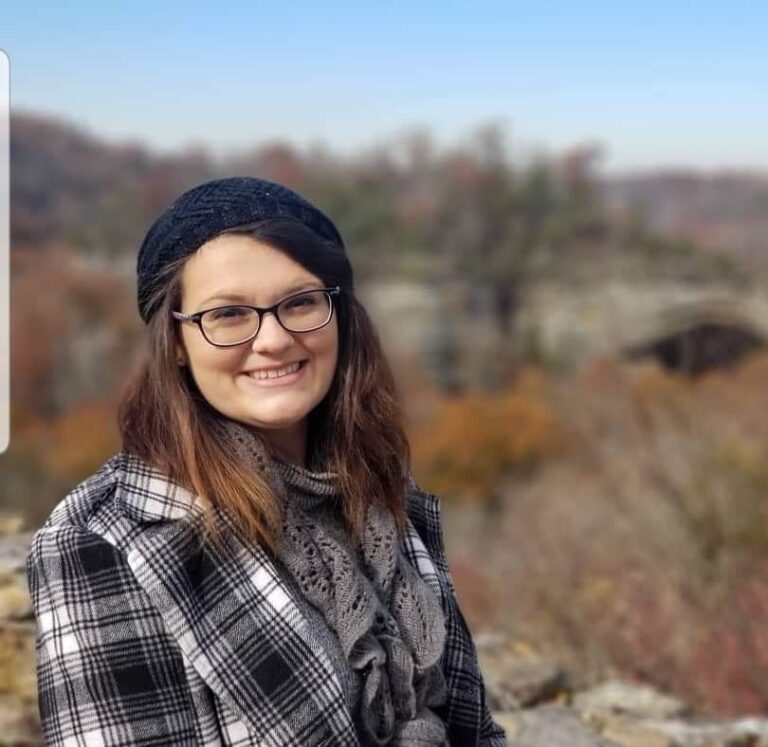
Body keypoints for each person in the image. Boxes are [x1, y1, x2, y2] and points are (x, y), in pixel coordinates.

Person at [27, 177, 508, 746]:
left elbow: (474, 730)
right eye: (228, 314)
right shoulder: (103, 542)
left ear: (340, 315)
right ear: (176, 343)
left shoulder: (380, 497)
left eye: (300, 302)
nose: (274, 339)